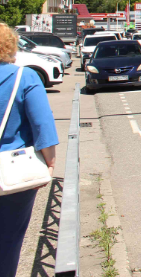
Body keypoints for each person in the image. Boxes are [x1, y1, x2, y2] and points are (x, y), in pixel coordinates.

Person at [0, 23, 58, 277]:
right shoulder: (24, 77)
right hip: (12, 175)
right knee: (8, 241)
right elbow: (42, 125)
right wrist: (49, 164)